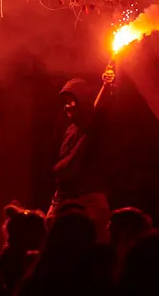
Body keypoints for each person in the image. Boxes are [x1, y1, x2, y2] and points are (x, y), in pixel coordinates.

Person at [49, 69, 115, 240]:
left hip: (89, 199)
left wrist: (106, 87)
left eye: (72, 101)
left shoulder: (95, 126)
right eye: (65, 102)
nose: (67, 106)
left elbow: (97, 112)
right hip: (65, 198)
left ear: (83, 101)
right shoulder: (70, 130)